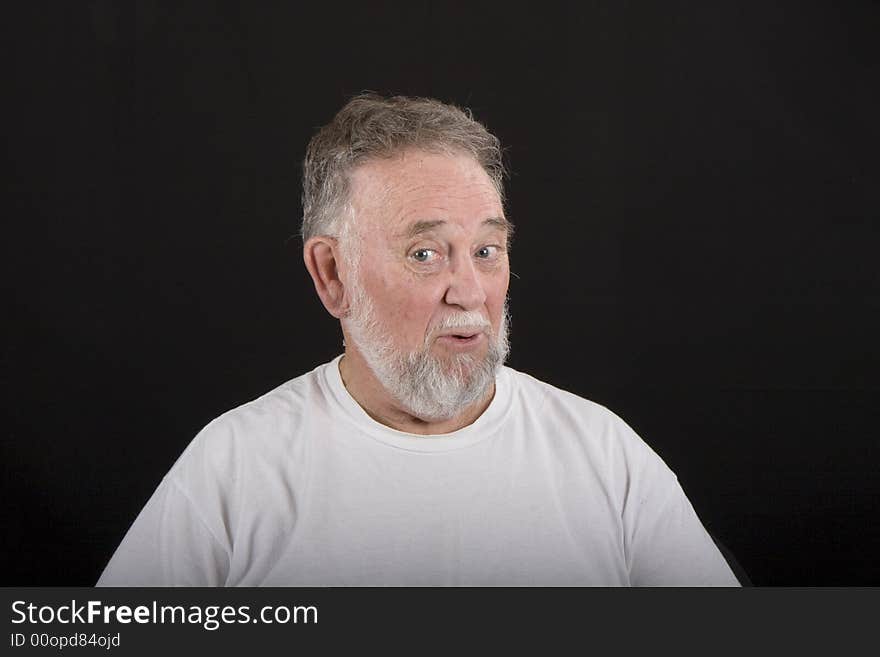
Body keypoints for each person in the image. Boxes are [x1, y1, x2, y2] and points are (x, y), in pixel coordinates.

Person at [97, 94, 739, 586]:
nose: (469, 290)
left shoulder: (606, 457)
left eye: (487, 250)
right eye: (426, 253)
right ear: (332, 273)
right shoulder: (235, 469)